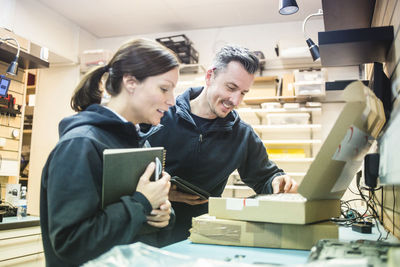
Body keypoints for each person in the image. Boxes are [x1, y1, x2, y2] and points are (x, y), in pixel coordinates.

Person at [40, 38, 179, 266]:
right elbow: (71, 243)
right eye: (164, 88)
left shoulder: (140, 144)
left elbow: (135, 223)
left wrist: (162, 215)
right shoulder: (79, 145)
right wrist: (141, 203)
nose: (172, 101)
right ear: (131, 82)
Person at [147, 44, 298, 244]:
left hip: (201, 238)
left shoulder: (242, 134)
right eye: (231, 87)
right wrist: (164, 193)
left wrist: (278, 181)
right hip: (147, 233)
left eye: (243, 92)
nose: (235, 100)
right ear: (210, 76)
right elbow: (119, 179)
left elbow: (265, 177)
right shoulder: (159, 116)